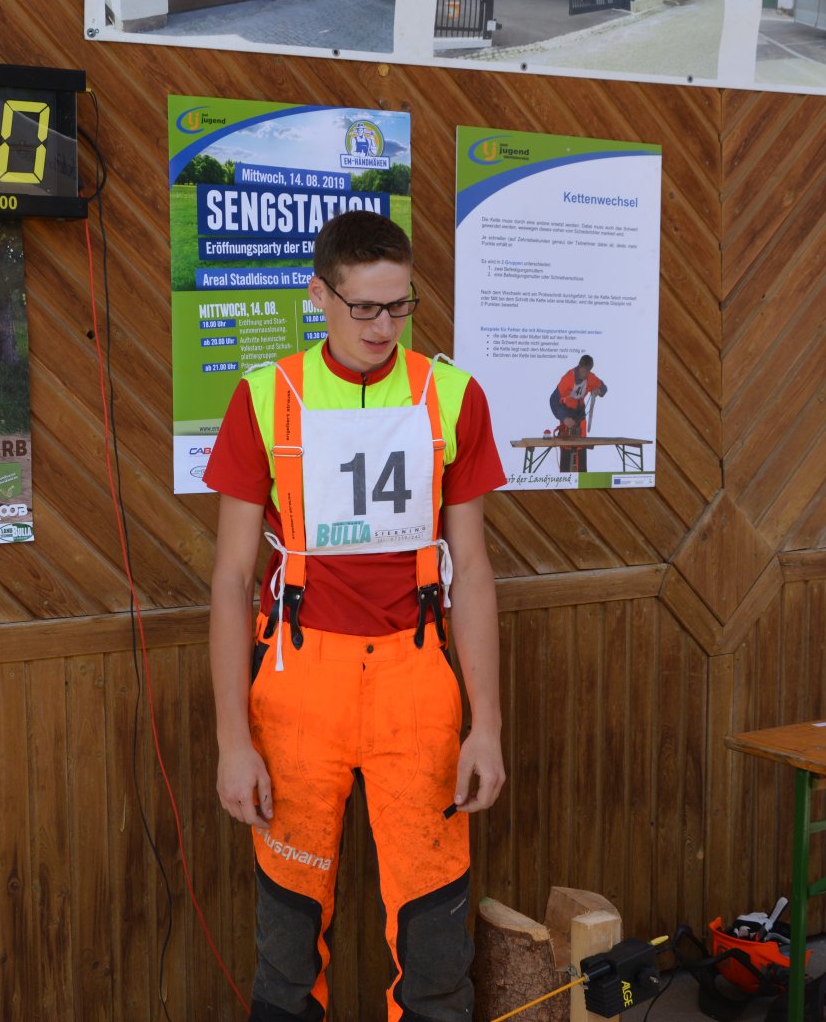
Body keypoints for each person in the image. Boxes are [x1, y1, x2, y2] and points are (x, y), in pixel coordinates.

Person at [205, 211, 506, 1022]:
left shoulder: (451, 395)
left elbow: (474, 570)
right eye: (364, 307)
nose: (383, 326)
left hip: (418, 679)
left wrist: (486, 725)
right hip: (299, 683)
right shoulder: (266, 396)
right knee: (288, 940)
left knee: (436, 943)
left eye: (399, 306)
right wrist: (233, 740)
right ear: (319, 295)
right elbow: (231, 579)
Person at [549, 354, 607, 472]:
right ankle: (565, 476)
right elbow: (553, 399)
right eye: (583, 371)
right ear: (579, 367)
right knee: (566, 444)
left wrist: (599, 390)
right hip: (566, 410)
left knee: (581, 444)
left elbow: (604, 388)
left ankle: (582, 475)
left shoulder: (591, 377)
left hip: (580, 411)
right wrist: (564, 418)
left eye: (588, 372)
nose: (585, 374)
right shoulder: (568, 378)